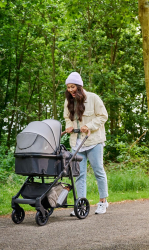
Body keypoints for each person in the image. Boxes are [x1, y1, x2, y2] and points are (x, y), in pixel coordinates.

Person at [63, 72, 109, 215]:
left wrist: (89, 125)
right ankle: (81, 204)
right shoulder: (68, 101)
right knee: (79, 174)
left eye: (72, 87)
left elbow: (103, 116)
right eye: (68, 87)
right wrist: (69, 126)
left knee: (98, 170)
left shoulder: (94, 98)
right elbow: (67, 118)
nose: (70, 90)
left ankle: (103, 202)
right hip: (77, 143)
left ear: (79, 86)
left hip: (94, 141)